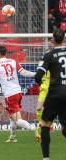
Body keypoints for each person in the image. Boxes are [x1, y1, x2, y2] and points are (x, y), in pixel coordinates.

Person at [0, 45, 36, 142]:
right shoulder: (13, 61)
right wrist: (35, 74)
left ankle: (34, 128)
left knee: (16, 119)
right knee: (12, 116)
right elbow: (23, 72)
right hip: (18, 92)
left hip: (10, 94)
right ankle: (13, 137)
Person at [35, 28, 66, 160]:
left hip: (55, 94)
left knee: (45, 124)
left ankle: (46, 158)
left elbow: (38, 76)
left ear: (52, 40)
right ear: (64, 39)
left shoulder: (49, 55)